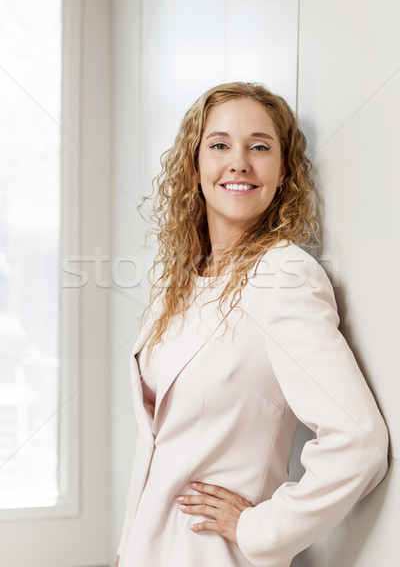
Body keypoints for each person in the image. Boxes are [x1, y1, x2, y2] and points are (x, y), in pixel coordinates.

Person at [115, 82, 389, 567]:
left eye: (259, 147)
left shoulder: (283, 276)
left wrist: (258, 528)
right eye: (219, 145)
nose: (239, 162)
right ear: (194, 165)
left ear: (283, 172)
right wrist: (125, 549)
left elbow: (360, 442)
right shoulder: (178, 280)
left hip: (215, 554)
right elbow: (157, 445)